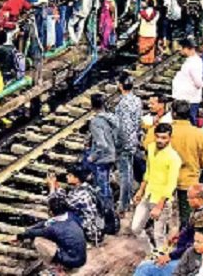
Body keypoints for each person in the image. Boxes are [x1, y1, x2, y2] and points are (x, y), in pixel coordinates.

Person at [133, 184, 203, 276]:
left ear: (199, 199)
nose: (187, 200)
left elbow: (194, 247)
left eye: (189, 198)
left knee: (145, 268)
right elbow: (189, 228)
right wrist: (179, 235)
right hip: (184, 252)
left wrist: (170, 256)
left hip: (192, 260)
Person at [132, 123, 181, 249]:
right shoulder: (151, 148)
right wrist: (140, 191)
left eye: (164, 137)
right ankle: (150, 254)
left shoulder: (174, 158)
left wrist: (159, 206)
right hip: (148, 195)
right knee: (135, 228)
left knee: (158, 234)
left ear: (170, 138)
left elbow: (171, 185)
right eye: (158, 137)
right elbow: (148, 172)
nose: (160, 140)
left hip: (162, 201)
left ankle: (161, 260)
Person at [169, 102, 203, 228]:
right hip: (189, 179)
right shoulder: (199, 134)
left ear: (174, 114)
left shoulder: (165, 130)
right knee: (187, 217)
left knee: (162, 213)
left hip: (166, 179)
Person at [46, 163, 105, 244]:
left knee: (57, 217)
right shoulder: (85, 186)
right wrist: (57, 186)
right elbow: (65, 199)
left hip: (90, 233)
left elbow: (55, 204)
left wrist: (52, 186)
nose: (67, 177)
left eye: (70, 175)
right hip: (94, 227)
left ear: (77, 179)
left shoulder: (81, 194)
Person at [114, 75, 143, 214]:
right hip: (133, 140)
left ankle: (124, 204)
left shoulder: (123, 103)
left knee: (125, 174)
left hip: (124, 143)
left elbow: (123, 127)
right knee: (129, 171)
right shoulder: (137, 100)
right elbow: (138, 122)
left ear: (120, 85)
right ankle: (130, 199)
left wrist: (119, 144)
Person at [87, 93, 117, 223]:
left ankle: (106, 219)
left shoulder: (95, 122)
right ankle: (111, 215)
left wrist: (92, 157)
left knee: (101, 189)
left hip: (102, 158)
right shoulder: (112, 118)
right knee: (106, 187)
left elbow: (101, 144)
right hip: (112, 155)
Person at [171, 38, 203, 126]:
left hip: (189, 98)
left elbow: (197, 82)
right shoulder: (191, 61)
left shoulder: (195, 62)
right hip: (185, 97)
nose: (180, 50)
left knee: (189, 121)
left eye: (181, 48)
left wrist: (202, 85)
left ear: (187, 48)